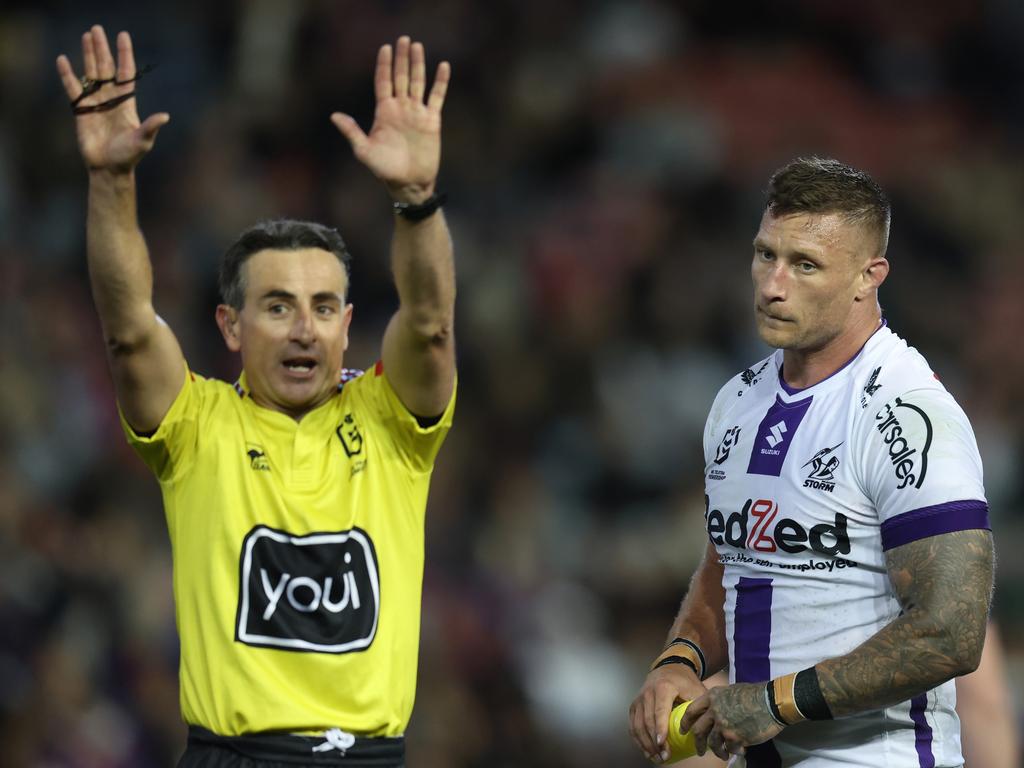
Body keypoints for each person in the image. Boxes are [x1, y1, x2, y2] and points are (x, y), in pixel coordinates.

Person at [57, 25, 455, 766]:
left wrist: (415, 198)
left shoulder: (391, 421)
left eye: (324, 307)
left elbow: (430, 325)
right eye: (277, 307)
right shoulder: (197, 424)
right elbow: (129, 332)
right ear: (231, 326)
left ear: (347, 326)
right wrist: (112, 183)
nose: (304, 328)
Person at [628, 157, 994, 766]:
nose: (772, 285)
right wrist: (679, 661)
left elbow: (950, 631)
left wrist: (775, 703)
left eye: (805, 265)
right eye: (765, 254)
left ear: (867, 277)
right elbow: (734, 565)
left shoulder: (906, 412)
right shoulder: (736, 402)